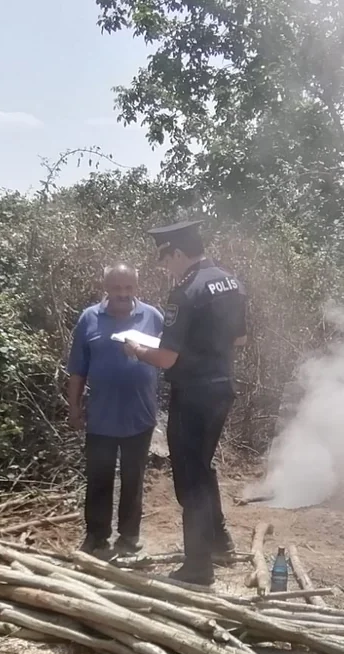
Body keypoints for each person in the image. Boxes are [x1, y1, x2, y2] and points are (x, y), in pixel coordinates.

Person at [121, 221, 247, 585]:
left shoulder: (186, 291)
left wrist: (136, 349)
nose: (165, 268)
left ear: (177, 252)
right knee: (202, 467)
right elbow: (239, 340)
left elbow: (166, 360)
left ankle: (197, 567)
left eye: (165, 260)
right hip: (222, 388)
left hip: (193, 393)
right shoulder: (232, 282)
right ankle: (220, 542)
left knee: (190, 480)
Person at [67, 264, 165, 557]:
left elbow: (170, 356)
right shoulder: (89, 319)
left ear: (136, 287)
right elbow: (76, 371)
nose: (123, 294)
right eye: (117, 288)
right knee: (99, 477)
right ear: (106, 287)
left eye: (129, 288)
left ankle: (129, 537)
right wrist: (74, 408)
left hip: (141, 415)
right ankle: (96, 536)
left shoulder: (153, 317)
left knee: (134, 479)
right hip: (101, 416)